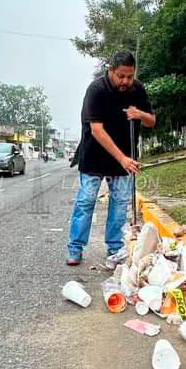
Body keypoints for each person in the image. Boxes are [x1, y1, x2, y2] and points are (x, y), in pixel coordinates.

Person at [67, 51, 156, 266]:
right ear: (110, 71)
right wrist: (122, 158)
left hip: (125, 158)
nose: (125, 81)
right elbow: (97, 130)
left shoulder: (137, 89)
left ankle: (114, 248)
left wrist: (139, 114)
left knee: (120, 204)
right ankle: (75, 248)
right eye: (121, 76)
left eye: (130, 76)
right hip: (94, 156)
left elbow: (151, 120)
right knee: (86, 201)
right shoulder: (96, 90)